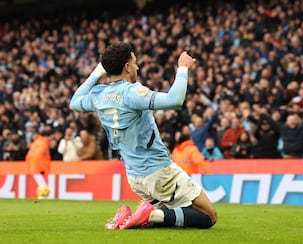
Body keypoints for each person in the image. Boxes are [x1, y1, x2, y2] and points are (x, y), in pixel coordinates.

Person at [70, 43, 217, 230]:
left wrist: (98, 72)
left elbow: (74, 102)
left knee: (171, 216)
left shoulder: (100, 94)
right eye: (135, 62)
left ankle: (138, 216)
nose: (137, 67)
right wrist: (182, 68)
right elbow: (175, 100)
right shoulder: (131, 92)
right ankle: (150, 214)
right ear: (127, 67)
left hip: (135, 177)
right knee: (207, 216)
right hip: (159, 172)